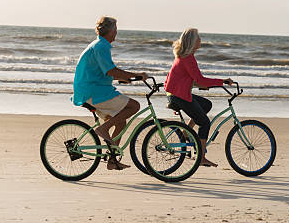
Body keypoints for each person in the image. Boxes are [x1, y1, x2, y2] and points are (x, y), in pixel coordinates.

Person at [72, 16, 148, 171]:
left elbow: (107, 72)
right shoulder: (101, 47)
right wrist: (136, 75)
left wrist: (126, 78)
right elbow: (111, 70)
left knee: (120, 122)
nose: (117, 32)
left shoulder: (99, 45)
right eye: (116, 29)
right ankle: (103, 129)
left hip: (94, 89)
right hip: (94, 91)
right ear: (111, 30)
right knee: (134, 106)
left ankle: (112, 160)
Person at [164, 28, 233, 167]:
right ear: (192, 41)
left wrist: (199, 84)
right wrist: (222, 81)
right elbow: (200, 79)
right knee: (205, 123)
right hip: (179, 96)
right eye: (198, 37)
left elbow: (189, 78)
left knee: (206, 104)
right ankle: (201, 157)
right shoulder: (187, 58)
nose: (200, 40)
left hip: (177, 94)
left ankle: (186, 132)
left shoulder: (183, 56)